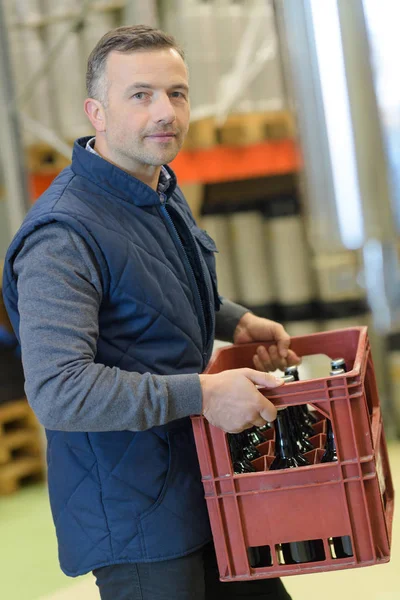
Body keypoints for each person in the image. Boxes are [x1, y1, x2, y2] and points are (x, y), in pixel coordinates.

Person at [2, 25, 300, 600]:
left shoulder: (155, 184)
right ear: (97, 112)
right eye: (141, 95)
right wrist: (205, 394)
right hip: (137, 522)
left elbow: (151, 287)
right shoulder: (61, 236)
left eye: (177, 93)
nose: (165, 112)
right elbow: (59, 390)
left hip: (202, 484)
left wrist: (232, 320)